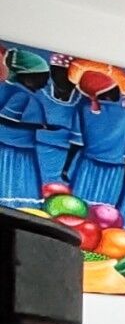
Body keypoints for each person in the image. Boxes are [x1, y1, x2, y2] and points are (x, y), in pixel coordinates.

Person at [70, 62, 125, 208]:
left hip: (87, 165)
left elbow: (76, 144)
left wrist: (66, 168)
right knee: (104, 210)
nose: (120, 93)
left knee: (77, 206)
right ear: (107, 92)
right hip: (115, 170)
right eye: (116, 89)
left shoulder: (83, 110)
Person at [0, 46, 48, 207]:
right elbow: (6, 119)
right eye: (42, 77)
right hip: (14, 149)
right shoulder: (22, 95)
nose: (46, 82)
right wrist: (41, 126)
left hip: (20, 147)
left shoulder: (17, 91)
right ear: (27, 78)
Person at [35, 53, 83, 189]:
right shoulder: (39, 93)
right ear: (52, 73)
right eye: (58, 73)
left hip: (67, 158)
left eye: (69, 75)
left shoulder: (82, 102)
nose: (63, 79)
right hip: (36, 152)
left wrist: (67, 167)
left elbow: (80, 140)